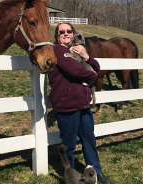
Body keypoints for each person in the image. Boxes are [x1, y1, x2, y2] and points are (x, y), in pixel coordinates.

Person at [48, 22, 111, 184]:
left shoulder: (75, 50)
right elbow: (75, 71)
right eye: (62, 32)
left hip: (83, 104)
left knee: (89, 139)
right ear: (57, 36)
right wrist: (94, 77)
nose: (66, 34)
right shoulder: (58, 50)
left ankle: (96, 171)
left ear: (74, 34)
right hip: (67, 104)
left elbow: (96, 66)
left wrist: (86, 55)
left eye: (69, 31)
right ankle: (71, 176)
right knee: (68, 145)